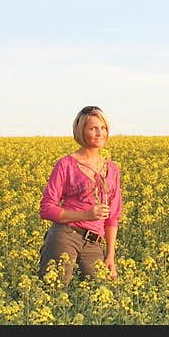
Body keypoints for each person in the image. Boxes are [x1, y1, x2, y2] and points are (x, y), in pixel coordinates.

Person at [38, 105, 122, 285]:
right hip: (65, 235)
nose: (100, 133)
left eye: (104, 128)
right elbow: (46, 209)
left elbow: (112, 217)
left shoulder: (112, 169)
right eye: (93, 128)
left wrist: (110, 257)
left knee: (100, 294)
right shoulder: (65, 165)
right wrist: (85, 215)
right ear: (81, 131)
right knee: (54, 291)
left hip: (94, 242)